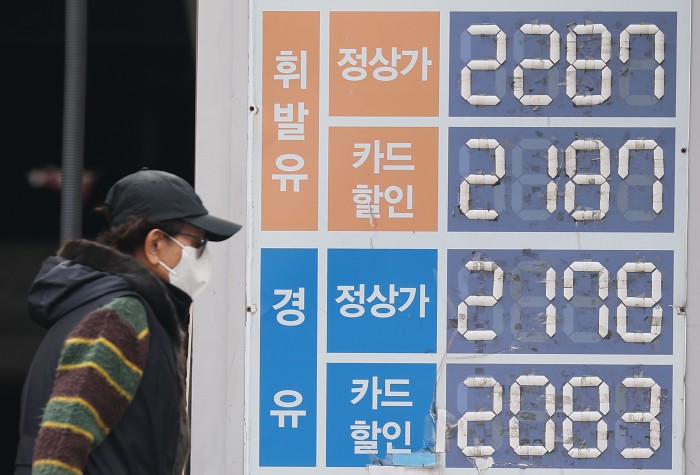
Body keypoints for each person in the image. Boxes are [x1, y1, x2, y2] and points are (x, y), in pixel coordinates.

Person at [14, 169, 241, 475]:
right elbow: (61, 445)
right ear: (155, 244)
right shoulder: (121, 315)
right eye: (197, 242)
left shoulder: (101, 307)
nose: (202, 254)